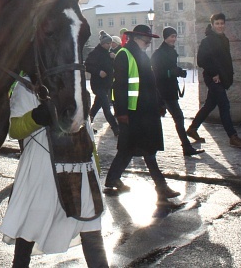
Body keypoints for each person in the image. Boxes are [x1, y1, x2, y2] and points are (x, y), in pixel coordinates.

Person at [0, 76, 108, 268]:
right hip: (41, 171)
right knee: (28, 229)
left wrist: (95, 166)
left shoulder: (75, 79)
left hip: (81, 167)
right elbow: (15, 129)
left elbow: (88, 130)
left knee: (92, 231)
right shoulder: (27, 85)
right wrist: (36, 117)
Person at [104, 25, 180, 203]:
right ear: (137, 38)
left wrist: (159, 102)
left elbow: (149, 83)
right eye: (147, 40)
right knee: (146, 149)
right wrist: (121, 112)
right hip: (133, 112)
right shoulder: (125, 55)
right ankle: (161, 187)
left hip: (145, 111)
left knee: (129, 150)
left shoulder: (140, 54)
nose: (149, 43)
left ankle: (112, 179)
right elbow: (119, 87)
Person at [187, 13, 241, 148]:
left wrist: (228, 75)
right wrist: (214, 73)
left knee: (209, 105)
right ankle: (233, 136)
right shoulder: (207, 41)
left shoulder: (224, 39)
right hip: (213, 78)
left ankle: (192, 129)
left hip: (222, 78)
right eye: (217, 23)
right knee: (224, 105)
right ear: (212, 24)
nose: (220, 26)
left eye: (222, 23)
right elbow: (202, 60)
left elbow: (224, 60)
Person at [151, 27, 205, 157]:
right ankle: (186, 147)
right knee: (178, 118)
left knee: (156, 119)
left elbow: (170, 69)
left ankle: (146, 144)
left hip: (169, 90)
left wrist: (178, 72)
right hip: (163, 91)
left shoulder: (171, 51)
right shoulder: (159, 53)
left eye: (175, 36)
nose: (173, 39)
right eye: (171, 36)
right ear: (165, 37)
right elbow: (157, 73)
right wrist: (172, 72)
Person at [85, 31, 119, 136]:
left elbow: (112, 68)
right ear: (102, 43)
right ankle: (116, 129)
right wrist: (98, 72)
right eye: (107, 43)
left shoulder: (109, 54)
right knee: (106, 108)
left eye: (110, 43)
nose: (110, 45)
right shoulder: (95, 53)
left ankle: (87, 126)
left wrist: (114, 58)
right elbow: (87, 65)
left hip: (106, 85)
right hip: (98, 85)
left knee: (96, 107)